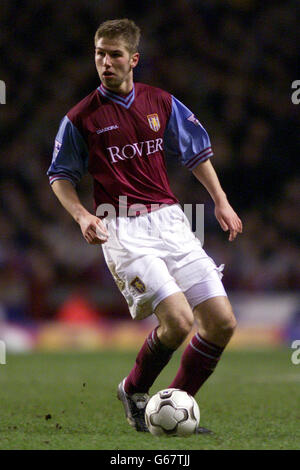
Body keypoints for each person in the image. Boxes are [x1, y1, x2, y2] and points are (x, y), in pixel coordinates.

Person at [47, 18, 243, 433]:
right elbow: (60, 176)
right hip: (122, 228)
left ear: (133, 59)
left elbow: (196, 154)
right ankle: (134, 390)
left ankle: (178, 405)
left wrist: (221, 202)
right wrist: (82, 215)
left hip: (171, 221)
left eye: (115, 54)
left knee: (222, 322)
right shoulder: (82, 118)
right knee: (178, 321)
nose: (105, 62)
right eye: (99, 53)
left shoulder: (162, 103)